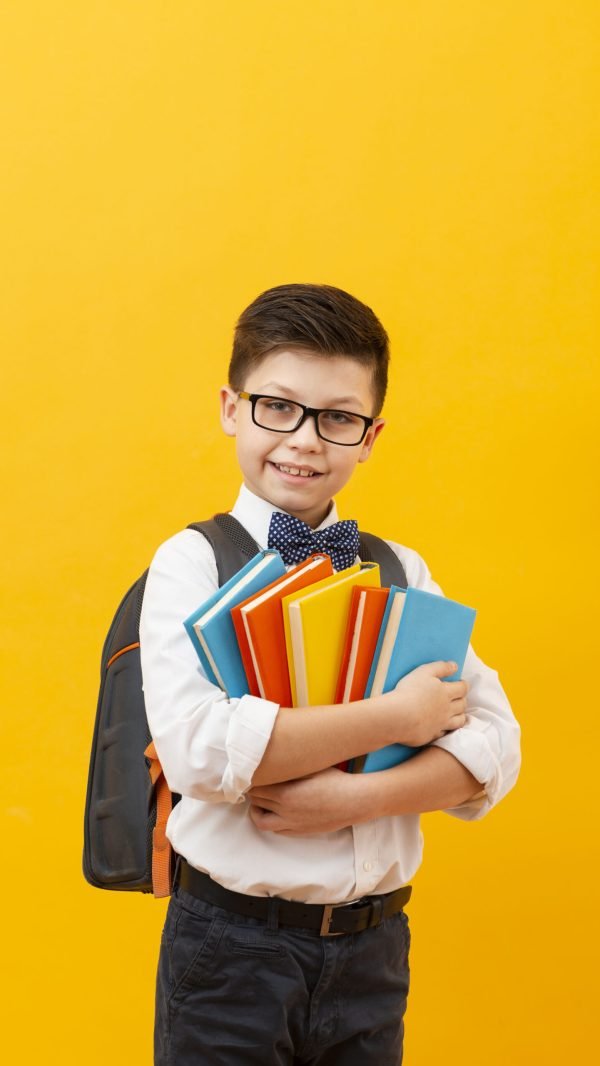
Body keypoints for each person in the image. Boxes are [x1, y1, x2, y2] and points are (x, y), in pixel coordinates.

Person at [140, 283, 521, 1066]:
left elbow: (497, 745)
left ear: (371, 434)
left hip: (373, 951)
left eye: (338, 418)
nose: (305, 441)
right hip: (230, 951)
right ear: (230, 407)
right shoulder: (190, 564)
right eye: (278, 406)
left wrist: (356, 798)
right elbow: (203, 756)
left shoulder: (398, 569)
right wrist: (398, 720)